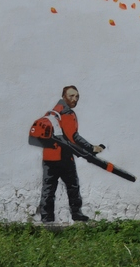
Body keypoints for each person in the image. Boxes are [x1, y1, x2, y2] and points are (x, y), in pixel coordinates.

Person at [39, 85, 103, 223]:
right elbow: (73, 136)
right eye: (71, 96)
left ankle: (46, 217)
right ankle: (76, 213)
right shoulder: (65, 113)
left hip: (49, 156)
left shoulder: (52, 112)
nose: (75, 99)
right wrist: (91, 148)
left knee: (49, 188)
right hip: (63, 157)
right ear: (64, 96)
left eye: (77, 96)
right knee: (72, 186)